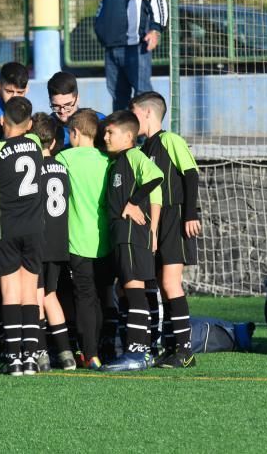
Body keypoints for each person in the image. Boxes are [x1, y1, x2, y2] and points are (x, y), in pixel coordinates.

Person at [130, 91, 201, 368]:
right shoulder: (143, 149)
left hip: (175, 215)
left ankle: (185, 350)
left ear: (147, 112)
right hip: (155, 219)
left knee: (171, 283)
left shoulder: (170, 140)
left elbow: (191, 173)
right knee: (161, 283)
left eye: (134, 111)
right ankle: (172, 346)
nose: (132, 118)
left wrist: (190, 214)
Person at [0, 96, 45, 376]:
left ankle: (14, 359)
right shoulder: (35, 145)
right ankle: (31, 358)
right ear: (30, 124)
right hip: (34, 229)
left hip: (5, 228)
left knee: (10, 293)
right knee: (30, 292)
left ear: (0, 120)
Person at [99, 110, 163, 372]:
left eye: (110, 132)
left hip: (131, 235)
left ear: (128, 136)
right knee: (126, 291)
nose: (105, 137)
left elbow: (156, 175)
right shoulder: (117, 161)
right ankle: (138, 348)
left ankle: (137, 352)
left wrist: (133, 202)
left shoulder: (134, 155)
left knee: (134, 290)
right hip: (120, 237)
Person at [55, 109, 113, 370]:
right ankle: (102, 349)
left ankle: (89, 353)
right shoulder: (107, 159)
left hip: (77, 241)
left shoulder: (65, 158)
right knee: (102, 295)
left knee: (84, 298)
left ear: (75, 133)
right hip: (105, 241)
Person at [94, 0, 168, 112]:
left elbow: (160, 4)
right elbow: (102, 8)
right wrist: (99, 30)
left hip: (136, 47)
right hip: (112, 49)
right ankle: (121, 138)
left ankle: (147, 138)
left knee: (143, 96)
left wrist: (156, 30)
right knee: (118, 97)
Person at [28, 112, 77, 372]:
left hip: (39, 241)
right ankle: (66, 353)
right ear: (55, 143)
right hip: (60, 242)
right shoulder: (62, 167)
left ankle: (42, 353)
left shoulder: (30, 168)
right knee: (51, 295)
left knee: (37, 296)